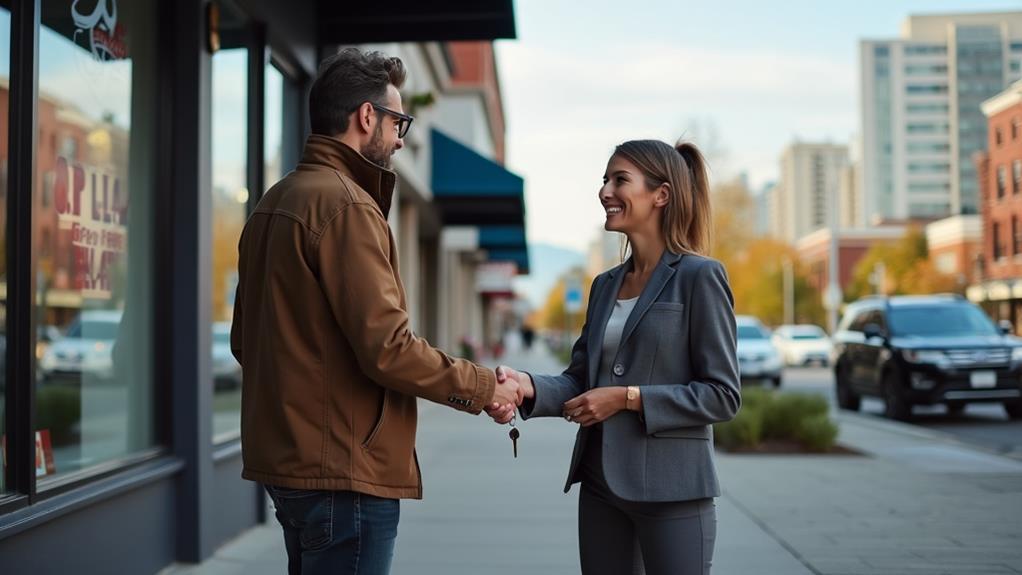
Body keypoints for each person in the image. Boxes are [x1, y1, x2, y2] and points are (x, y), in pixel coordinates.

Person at [231, 48, 521, 575]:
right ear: (367, 116)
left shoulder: (273, 203)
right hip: (344, 472)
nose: (401, 137)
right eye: (397, 122)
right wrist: (484, 388)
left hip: (291, 464)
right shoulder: (348, 206)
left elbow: (243, 341)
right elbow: (389, 350)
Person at [488, 139, 741, 575]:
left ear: (661, 195)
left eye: (619, 180)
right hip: (601, 484)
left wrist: (627, 398)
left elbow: (722, 395)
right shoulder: (604, 285)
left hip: (673, 489)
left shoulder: (700, 277)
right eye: (604, 180)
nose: (605, 191)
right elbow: (581, 379)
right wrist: (525, 385)